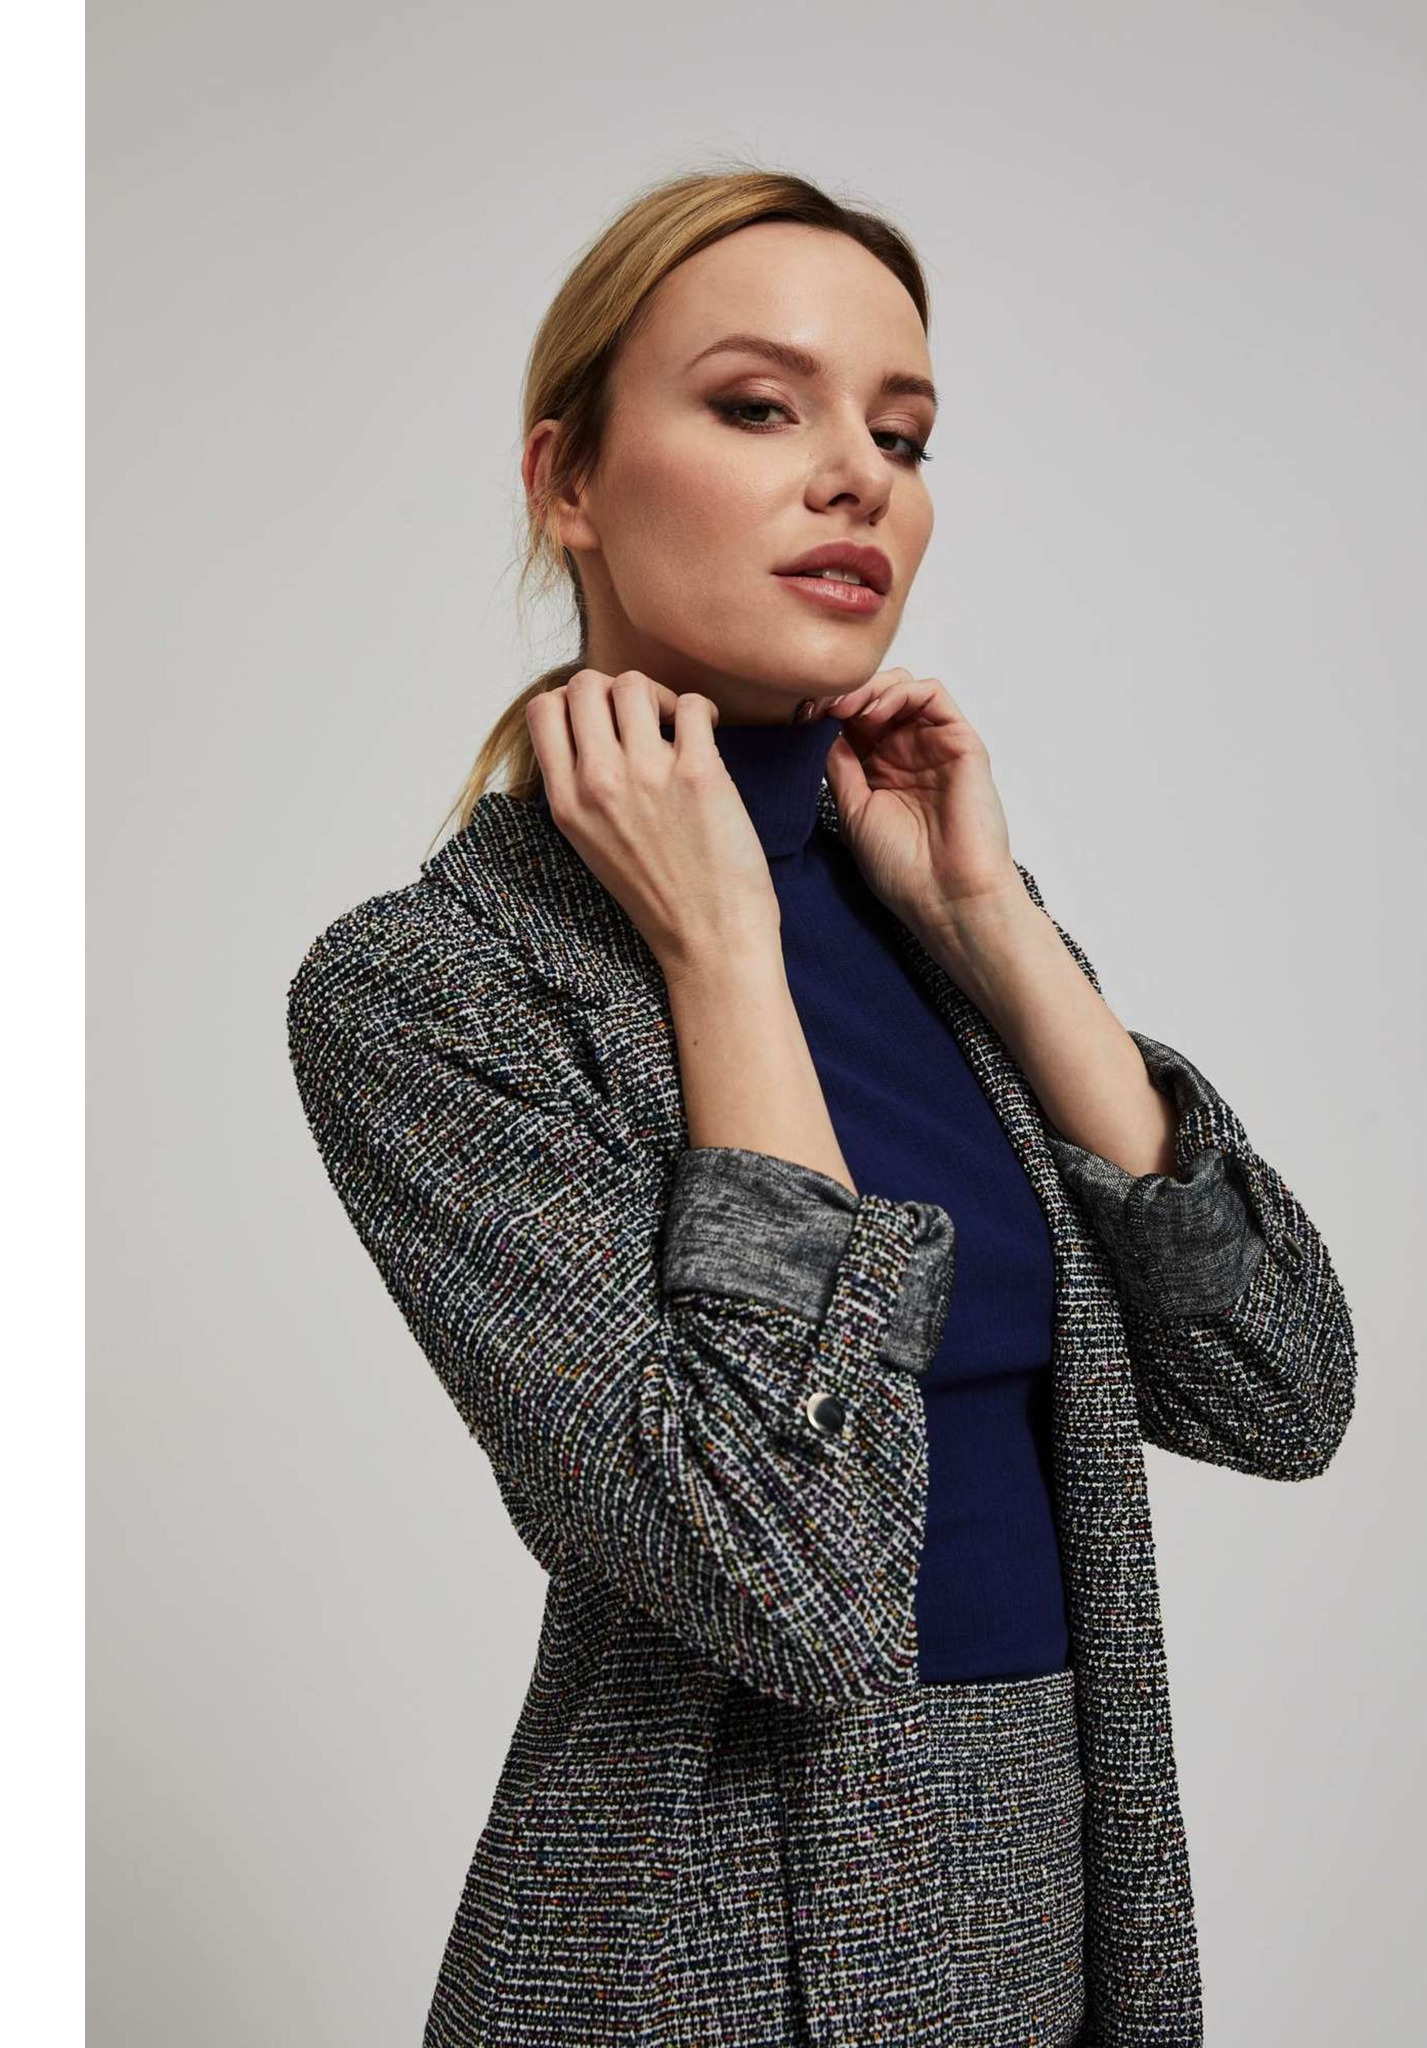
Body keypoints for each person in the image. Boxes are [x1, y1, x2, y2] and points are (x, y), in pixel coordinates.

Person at [286, 165, 1358, 2048]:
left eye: (903, 432)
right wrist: (722, 949)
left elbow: (1278, 1392)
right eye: (759, 406)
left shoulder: (929, 916)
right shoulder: (432, 990)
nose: (857, 475)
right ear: (566, 480)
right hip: (704, 1955)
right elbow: (785, 1574)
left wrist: (996, 929)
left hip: (1061, 1906)